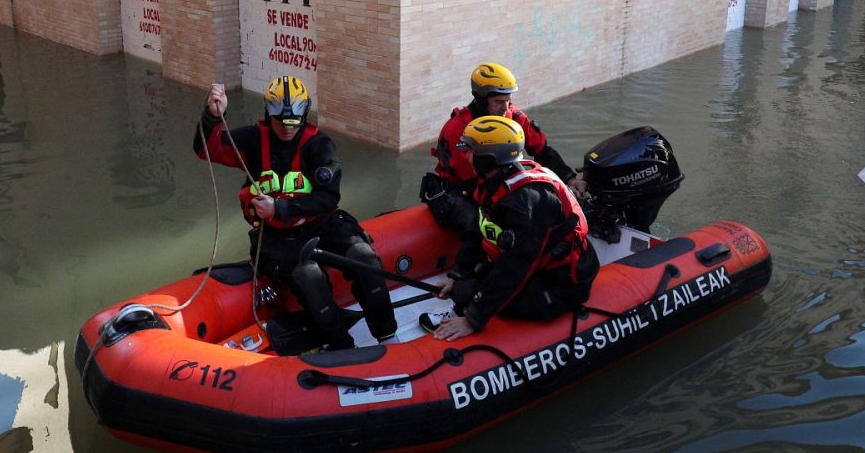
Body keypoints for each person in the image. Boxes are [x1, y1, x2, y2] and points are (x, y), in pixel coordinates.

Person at [196, 76, 397, 350]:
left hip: (319, 222)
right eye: (281, 122)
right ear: (269, 114)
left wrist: (281, 207)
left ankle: (387, 335)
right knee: (309, 276)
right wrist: (212, 116)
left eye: (294, 122)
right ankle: (341, 346)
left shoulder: (320, 145)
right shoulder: (255, 139)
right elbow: (206, 149)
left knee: (362, 257)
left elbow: (329, 197)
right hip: (275, 234)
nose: (288, 129)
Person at [422, 116, 598, 341]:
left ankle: (465, 309)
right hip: (540, 269)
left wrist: (473, 318)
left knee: (471, 290)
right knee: (468, 284)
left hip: (561, 285)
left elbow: (517, 266)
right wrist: (459, 276)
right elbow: (479, 230)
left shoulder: (525, 204)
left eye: (470, 150)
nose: (465, 155)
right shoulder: (494, 182)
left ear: (488, 159)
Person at [421, 62, 581, 233]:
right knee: (484, 230)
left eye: (508, 100)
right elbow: (470, 181)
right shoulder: (457, 130)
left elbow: (542, 150)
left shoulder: (511, 114)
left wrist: (569, 178)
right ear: (481, 99)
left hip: (499, 181)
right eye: (499, 101)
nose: (505, 107)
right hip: (463, 190)